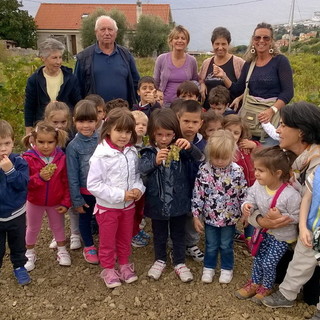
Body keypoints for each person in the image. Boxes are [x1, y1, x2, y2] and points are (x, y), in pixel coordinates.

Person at [254, 102, 320, 312]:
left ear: (300, 131)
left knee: (311, 295)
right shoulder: (280, 157)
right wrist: (261, 219)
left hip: (310, 232)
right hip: (290, 235)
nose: (278, 130)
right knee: (284, 272)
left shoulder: (315, 164)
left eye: (282, 125)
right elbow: (255, 194)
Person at [139, 108, 203, 282]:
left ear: (175, 133)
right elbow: (142, 169)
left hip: (179, 201)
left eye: (169, 134)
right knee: (159, 233)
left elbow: (200, 158)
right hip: (156, 202)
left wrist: (190, 147)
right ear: (152, 133)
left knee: (178, 233)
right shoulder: (148, 151)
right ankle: (160, 260)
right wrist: (155, 161)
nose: (164, 139)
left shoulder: (180, 150)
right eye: (160, 135)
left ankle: (180, 262)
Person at [87, 108, 145, 289]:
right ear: (108, 129)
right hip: (108, 208)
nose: (124, 136)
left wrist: (137, 189)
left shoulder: (132, 152)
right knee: (107, 240)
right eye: (119, 131)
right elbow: (94, 185)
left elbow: (137, 176)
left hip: (128, 207)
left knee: (125, 237)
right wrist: (121, 195)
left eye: (128, 131)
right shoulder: (101, 155)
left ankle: (125, 264)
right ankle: (109, 268)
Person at [235, 146, 300, 304]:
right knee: (257, 257)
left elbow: (298, 215)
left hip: (282, 237)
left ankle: (267, 286)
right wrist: (247, 206)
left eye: (261, 170)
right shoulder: (258, 185)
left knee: (269, 262)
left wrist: (282, 217)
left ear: (277, 173)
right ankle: (255, 282)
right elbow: (249, 196)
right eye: (256, 169)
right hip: (263, 232)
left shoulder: (290, 194)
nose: (256, 173)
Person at [215, 22, 293, 144]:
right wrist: (224, 76)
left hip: (271, 121)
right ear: (253, 40)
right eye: (257, 38)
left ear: (271, 40)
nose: (261, 41)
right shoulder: (249, 63)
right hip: (250, 120)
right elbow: (237, 89)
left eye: (266, 38)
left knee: (267, 157)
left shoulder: (280, 61)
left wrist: (271, 110)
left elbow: (288, 92)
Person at [192, 130, 247, 284]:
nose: (220, 161)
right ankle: (208, 268)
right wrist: (196, 215)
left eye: (224, 158)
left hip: (230, 217)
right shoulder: (204, 170)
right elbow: (198, 193)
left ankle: (226, 268)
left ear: (232, 154)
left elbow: (243, 193)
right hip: (210, 217)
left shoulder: (237, 171)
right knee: (210, 244)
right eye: (216, 157)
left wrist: (245, 212)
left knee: (226, 244)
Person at [22, 121, 71, 271]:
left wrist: (65, 202)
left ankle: (62, 250)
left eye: (50, 142)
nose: (45, 146)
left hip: (55, 201)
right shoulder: (28, 158)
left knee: (58, 226)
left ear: (56, 141)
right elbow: (25, 183)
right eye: (41, 142)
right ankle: (29, 253)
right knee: (32, 227)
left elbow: (65, 181)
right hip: (34, 201)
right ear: (34, 140)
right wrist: (40, 177)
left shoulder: (61, 157)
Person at [75, 15, 140, 106]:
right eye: (103, 29)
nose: (107, 33)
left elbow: (136, 83)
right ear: (96, 32)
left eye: (110, 29)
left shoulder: (126, 55)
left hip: (122, 112)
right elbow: (77, 88)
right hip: (95, 113)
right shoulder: (84, 57)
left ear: (116, 33)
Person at [44, 101, 81, 251]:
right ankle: (57, 235)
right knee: (55, 208)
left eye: (63, 122)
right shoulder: (44, 138)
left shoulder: (71, 138)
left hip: (68, 177)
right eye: (55, 122)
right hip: (53, 180)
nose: (59, 125)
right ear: (47, 120)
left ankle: (75, 233)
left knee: (72, 206)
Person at [24, 38, 81, 134]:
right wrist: (29, 131)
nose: (58, 62)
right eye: (54, 58)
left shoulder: (70, 78)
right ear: (43, 58)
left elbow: (77, 103)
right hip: (43, 129)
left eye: (60, 57)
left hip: (65, 128)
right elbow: (30, 107)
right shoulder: (34, 80)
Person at [66, 100, 99, 264]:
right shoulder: (73, 147)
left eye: (90, 121)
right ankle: (89, 246)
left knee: (102, 217)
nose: (86, 125)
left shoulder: (102, 139)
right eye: (81, 121)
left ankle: (108, 244)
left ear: (96, 121)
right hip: (85, 192)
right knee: (85, 219)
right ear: (74, 121)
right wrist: (76, 199)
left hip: (102, 190)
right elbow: (71, 175)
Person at [0, 120, 30, 285]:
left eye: (7, 143)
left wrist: (10, 170)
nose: (3, 148)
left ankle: (19, 266)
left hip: (16, 213)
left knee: (18, 244)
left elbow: (23, 185)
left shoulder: (19, 162)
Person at [177, 100, 206, 262]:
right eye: (186, 121)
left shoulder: (203, 143)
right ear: (178, 119)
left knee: (192, 216)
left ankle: (192, 244)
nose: (190, 126)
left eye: (194, 122)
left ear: (200, 123)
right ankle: (175, 243)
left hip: (196, 189)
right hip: (176, 189)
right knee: (176, 218)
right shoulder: (173, 139)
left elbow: (204, 160)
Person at [198, 27, 245, 110]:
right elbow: (200, 79)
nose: (220, 47)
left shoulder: (239, 63)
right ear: (212, 44)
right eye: (217, 44)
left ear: (228, 44)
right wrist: (202, 84)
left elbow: (248, 87)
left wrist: (239, 98)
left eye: (223, 44)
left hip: (230, 114)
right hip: (209, 113)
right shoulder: (206, 63)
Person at [154, 25, 198, 107]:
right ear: (171, 41)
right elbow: (155, 82)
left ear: (187, 42)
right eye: (176, 38)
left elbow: (195, 82)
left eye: (183, 38)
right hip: (165, 104)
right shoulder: (162, 59)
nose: (180, 40)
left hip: (185, 105)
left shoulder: (192, 61)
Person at [131, 111, 150, 248]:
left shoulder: (147, 144)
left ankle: (137, 229)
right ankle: (132, 234)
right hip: (131, 186)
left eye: (144, 124)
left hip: (143, 184)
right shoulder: (128, 145)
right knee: (132, 211)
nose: (141, 127)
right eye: (137, 124)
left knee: (140, 211)